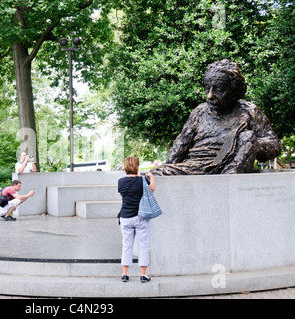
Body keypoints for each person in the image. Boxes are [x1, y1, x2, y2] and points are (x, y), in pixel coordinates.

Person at [151, 59, 281, 175]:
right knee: (155, 174)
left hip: (231, 165)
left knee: (247, 137)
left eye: (218, 89)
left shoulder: (249, 111)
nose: (210, 95)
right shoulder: (199, 112)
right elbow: (181, 145)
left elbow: (274, 144)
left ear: (234, 91)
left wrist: (245, 142)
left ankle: (227, 182)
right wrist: (167, 169)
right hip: (195, 166)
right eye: (207, 88)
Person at [118, 157, 155, 283]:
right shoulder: (143, 180)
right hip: (140, 217)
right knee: (143, 246)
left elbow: (126, 192)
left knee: (126, 245)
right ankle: (143, 275)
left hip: (125, 217)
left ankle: (124, 274)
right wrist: (151, 177)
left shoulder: (121, 182)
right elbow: (151, 190)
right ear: (137, 167)